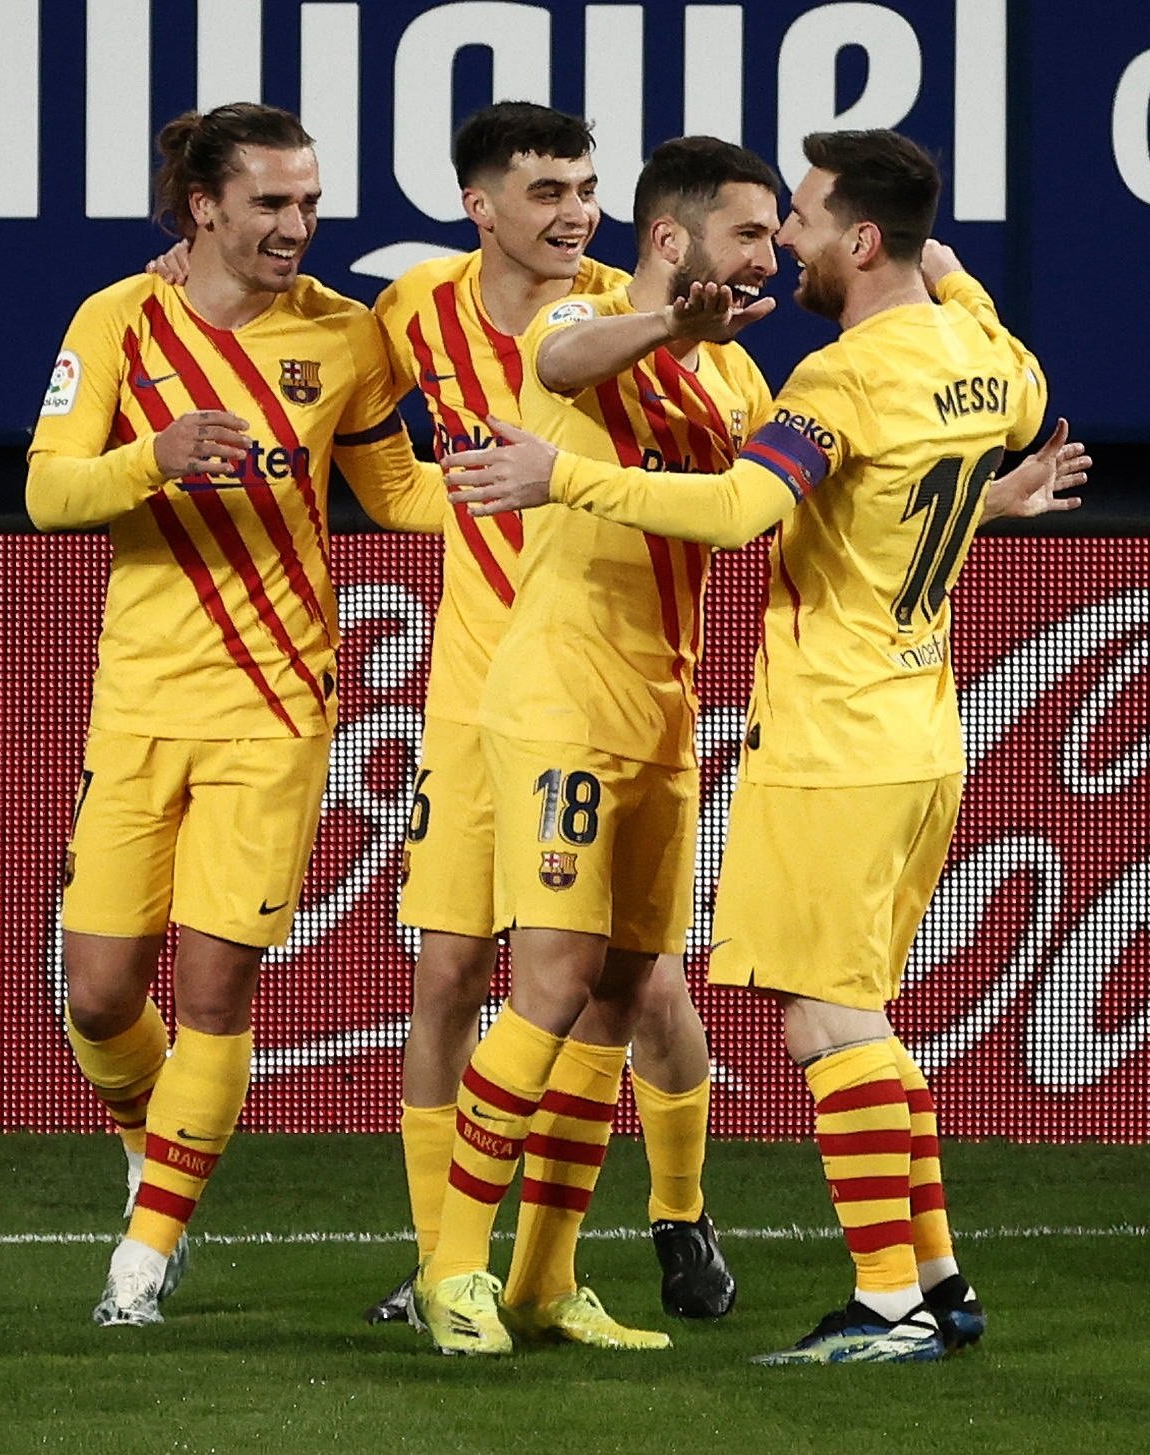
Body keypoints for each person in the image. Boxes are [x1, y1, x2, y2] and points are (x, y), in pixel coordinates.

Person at [445, 128, 1088, 1363]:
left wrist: (558, 483)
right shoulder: (981, 354)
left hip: (835, 735)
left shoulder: (832, 384)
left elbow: (742, 511)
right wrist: (951, 286)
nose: (783, 239)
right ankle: (940, 1281)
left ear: (855, 239)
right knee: (867, 1015)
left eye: (797, 218)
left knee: (823, 1018)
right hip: (924, 735)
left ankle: (888, 1300)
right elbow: (1005, 393)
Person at [146, 102, 740, 1326]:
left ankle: (636, 1230)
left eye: (585, 187)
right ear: (481, 208)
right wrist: (176, 274)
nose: (573, 211)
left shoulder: (636, 332)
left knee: (630, 984)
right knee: (453, 974)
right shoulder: (415, 311)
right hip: (482, 690)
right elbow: (295, 351)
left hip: (610, 677)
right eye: (545, 191)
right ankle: (440, 1264)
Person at [27, 102, 444, 1327]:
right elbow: (50, 493)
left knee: (214, 992)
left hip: (278, 706)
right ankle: (152, 1148)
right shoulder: (118, 320)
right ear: (203, 207)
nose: (296, 225)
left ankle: (141, 1264)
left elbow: (398, 493)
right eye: (270, 202)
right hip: (141, 700)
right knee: (99, 995)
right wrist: (154, 458)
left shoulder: (349, 338)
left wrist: (537, 499)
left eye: (309, 202)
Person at [415, 135, 783, 1356]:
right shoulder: (580, 322)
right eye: (749, 234)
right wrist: (670, 325)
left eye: (776, 235)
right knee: (551, 980)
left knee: (622, 994)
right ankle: (453, 1270)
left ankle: (543, 1280)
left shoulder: (735, 380)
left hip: (668, 715)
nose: (768, 255)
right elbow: (564, 361)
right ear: (673, 245)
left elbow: (775, 501)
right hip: (561, 699)